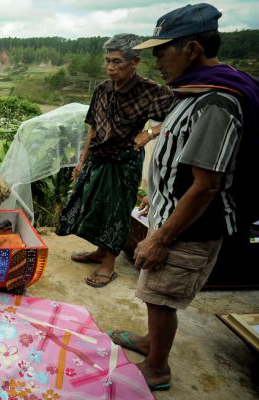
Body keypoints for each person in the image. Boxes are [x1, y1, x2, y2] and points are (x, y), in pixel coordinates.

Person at [108, 3, 259, 391]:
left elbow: (208, 183)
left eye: (163, 51)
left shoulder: (217, 102)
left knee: (162, 295)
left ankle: (157, 368)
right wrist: (157, 196)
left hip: (191, 226)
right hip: (171, 212)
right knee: (154, 289)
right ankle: (152, 342)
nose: (157, 60)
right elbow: (180, 156)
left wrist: (162, 236)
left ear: (192, 49)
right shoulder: (192, 93)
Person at [56, 34, 174, 287]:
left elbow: (179, 118)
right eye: (107, 60)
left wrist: (150, 133)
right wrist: (82, 160)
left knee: (116, 211)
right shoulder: (103, 89)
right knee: (93, 206)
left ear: (135, 62)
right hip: (98, 158)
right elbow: (93, 128)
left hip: (124, 161)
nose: (110, 67)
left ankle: (108, 264)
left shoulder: (151, 91)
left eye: (117, 61)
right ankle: (100, 251)